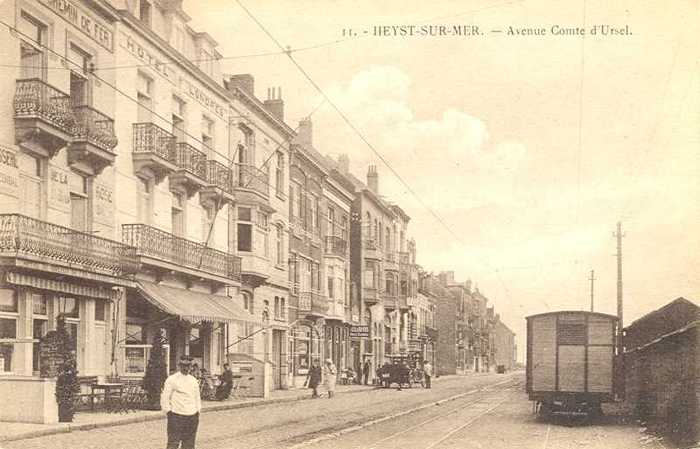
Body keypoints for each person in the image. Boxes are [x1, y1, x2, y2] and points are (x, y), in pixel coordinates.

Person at [161, 356, 202, 449]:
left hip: (192, 416)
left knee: (189, 444)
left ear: (191, 366)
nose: (186, 368)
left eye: (188, 366)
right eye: (183, 365)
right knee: (173, 443)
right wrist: (168, 412)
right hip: (176, 416)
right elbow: (165, 397)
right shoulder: (172, 379)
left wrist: (197, 411)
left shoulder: (193, 380)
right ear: (179, 366)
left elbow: (197, 397)